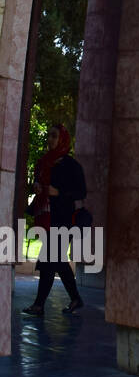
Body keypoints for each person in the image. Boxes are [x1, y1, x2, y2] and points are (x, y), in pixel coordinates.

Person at [20, 123, 86, 316]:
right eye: (49, 135)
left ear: (62, 139)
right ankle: (75, 299)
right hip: (47, 219)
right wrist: (38, 188)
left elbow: (81, 192)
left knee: (50, 259)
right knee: (56, 260)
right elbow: (39, 183)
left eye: (54, 136)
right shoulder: (43, 163)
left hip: (64, 219)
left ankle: (39, 305)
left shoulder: (71, 165)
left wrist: (59, 192)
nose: (50, 139)